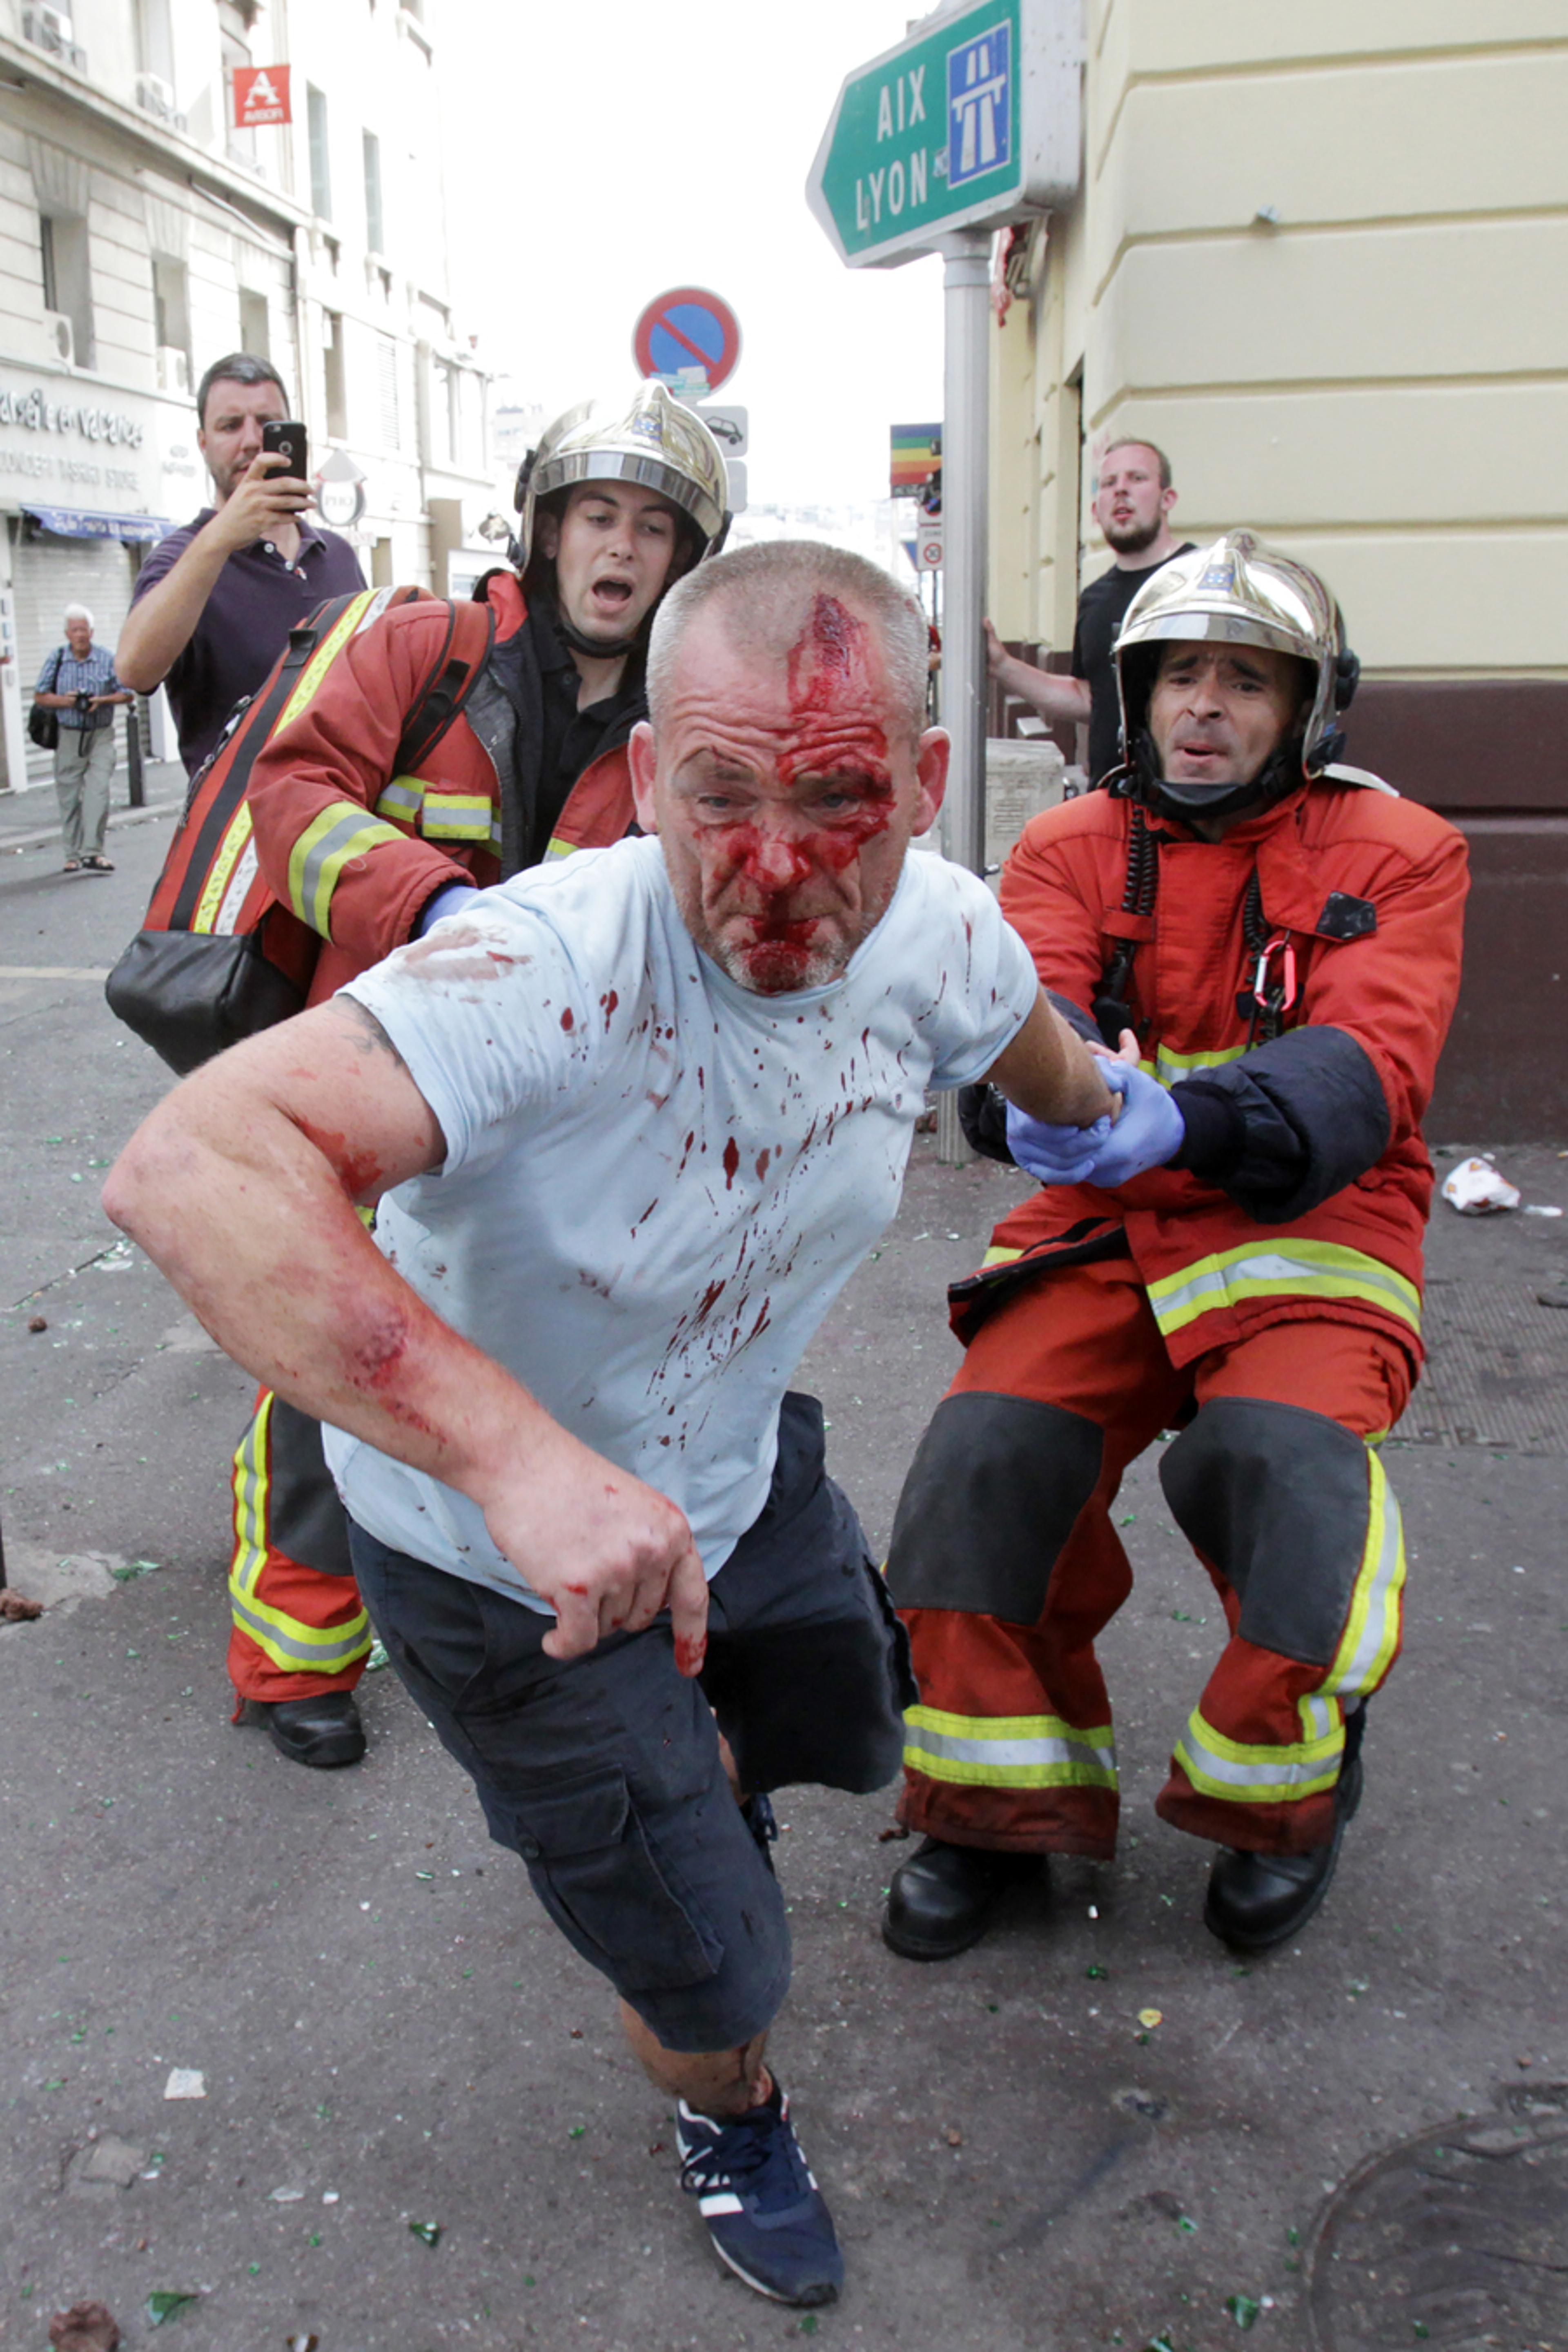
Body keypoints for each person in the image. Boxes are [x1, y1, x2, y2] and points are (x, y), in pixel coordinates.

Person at [102, 538, 1120, 2307]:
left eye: (839, 797)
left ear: (929, 788)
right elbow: (192, 1165)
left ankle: (701, 1789)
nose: (779, 867)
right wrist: (514, 1460)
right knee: (718, 1963)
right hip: (507, 1572)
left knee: (850, 1731)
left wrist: (1125, 1121)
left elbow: (1032, 1045)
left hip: (731, 1466)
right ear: (646, 781)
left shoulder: (941, 928)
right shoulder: (551, 965)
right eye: (719, 795)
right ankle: (731, 2104)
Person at [882, 531, 1469, 1964]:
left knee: (1283, 1469)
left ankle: (1284, 1798)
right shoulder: (1076, 842)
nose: (1205, 707)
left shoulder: (1401, 851)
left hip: (1307, 1228)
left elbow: (1367, 1068)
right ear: (1132, 694)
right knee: (984, 1462)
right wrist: (1053, 1098)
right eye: (1181, 675)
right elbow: (1015, 1010)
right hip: (1100, 1226)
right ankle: (992, 1806)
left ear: (1310, 710)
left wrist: (1181, 1122)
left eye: (1248, 681)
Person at [205, 383, 733, 1773]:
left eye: (655, 529)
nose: (621, 549)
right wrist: (434, 908)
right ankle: (290, 1655)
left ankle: (515, 1598)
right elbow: (290, 796)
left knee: (524, 1368)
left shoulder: (685, 722)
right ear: (549, 528)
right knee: (337, 1355)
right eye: (599, 517)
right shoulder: (425, 644)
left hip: (554, 1111)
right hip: (371, 1070)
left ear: (687, 561)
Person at [116, 352, 365, 777]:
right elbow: (135, 669)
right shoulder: (184, 555)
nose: (251, 441)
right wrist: (220, 539)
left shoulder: (337, 555)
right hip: (239, 833)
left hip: (346, 824)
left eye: (268, 424)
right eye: (230, 426)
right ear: (203, 443)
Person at [984, 437, 1194, 788]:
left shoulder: (1199, 582)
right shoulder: (1095, 599)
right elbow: (1088, 698)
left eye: (1136, 479)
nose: (1121, 491)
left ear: (1167, 498)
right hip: (1112, 804)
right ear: (1096, 510)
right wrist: (1002, 665)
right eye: (1109, 483)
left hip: (1190, 808)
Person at [33, 605, 132, 873]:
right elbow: (41, 696)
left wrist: (101, 700)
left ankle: (94, 852)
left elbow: (127, 693)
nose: (80, 635)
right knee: (70, 796)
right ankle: (72, 854)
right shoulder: (57, 659)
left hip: (100, 734)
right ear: (68, 633)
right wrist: (69, 701)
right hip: (68, 735)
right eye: (75, 630)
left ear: (92, 632)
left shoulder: (106, 658)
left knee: (99, 792)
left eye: (84, 630)